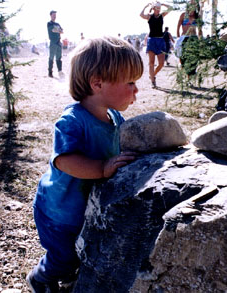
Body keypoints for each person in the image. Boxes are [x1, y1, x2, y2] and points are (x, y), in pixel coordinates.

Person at [26, 36, 142, 292]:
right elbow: (65, 160)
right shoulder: (72, 121)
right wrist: (102, 168)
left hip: (84, 207)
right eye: (130, 82)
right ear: (97, 83)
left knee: (84, 246)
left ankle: (71, 274)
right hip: (60, 211)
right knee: (64, 256)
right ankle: (40, 277)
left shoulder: (114, 116)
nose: (136, 91)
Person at [140, 1, 171, 88]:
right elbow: (141, 15)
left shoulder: (162, 16)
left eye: (159, 8)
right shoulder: (149, 17)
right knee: (151, 63)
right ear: (153, 9)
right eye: (156, 8)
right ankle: (153, 82)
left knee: (161, 63)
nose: (158, 10)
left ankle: (152, 75)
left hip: (160, 41)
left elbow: (171, 8)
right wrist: (146, 6)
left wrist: (163, 4)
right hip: (152, 41)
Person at [175, 0, 202, 74]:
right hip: (184, 38)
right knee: (183, 57)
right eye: (191, 5)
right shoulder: (183, 15)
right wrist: (178, 38)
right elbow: (178, 26)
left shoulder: (197, 16)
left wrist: (200, 40)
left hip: (193, 38)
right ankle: (183, 73)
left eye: (194, 6)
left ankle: (190, 75)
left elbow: (199, 29)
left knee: (193, 58)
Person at [47, 10, 63, 78]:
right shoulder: (49, 23)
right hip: (53, 43)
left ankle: (60, 71)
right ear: (50, 15)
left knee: (59, 58)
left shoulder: (57, 24)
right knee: (51, 58)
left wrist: (57, 30)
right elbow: (53, 30)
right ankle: (50, 72)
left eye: (55, 15)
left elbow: (62, 31)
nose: (54, 16)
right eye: (53, 15)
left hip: (58, 43)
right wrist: (58, 30)